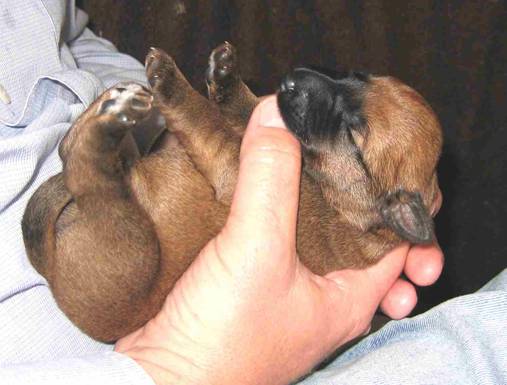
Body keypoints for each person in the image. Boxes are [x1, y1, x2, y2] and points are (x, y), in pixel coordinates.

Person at [1, 1, 505, 385]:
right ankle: (93, 166)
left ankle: (89, 165)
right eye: (354, 82)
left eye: (349, 129)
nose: (313, 81)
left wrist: (173, 98)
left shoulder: (329, 231)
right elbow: (244, 148)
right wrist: (174, 366)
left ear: (392, 210)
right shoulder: (352, 204)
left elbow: (230, 164)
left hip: (105, 256)